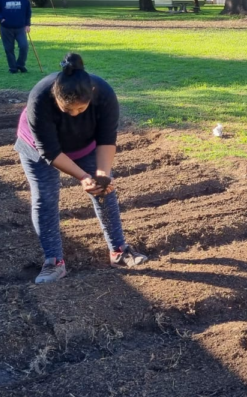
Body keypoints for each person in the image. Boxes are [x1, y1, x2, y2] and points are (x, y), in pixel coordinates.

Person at [15, 52, 148, 284]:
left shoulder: (104, 94)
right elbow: (50, 151)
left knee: (104, 190)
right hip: (38, 148)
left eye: (81, 109)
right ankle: (53, 262)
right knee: (45, 198)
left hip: (85, 144)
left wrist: (101, 176)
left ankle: (118, 251)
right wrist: (82, 176)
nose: (75, 114)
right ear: (55, 96)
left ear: (92, 95)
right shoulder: (39, 98)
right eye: (68, 110)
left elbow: (107, 139)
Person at [0, 0, 31, 74]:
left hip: (20, 28)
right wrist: (1, 19)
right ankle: (13, 68)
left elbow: (28, 12)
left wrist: (27, 24)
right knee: (9, 48)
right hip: (6, 28)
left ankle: (20, 64)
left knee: (24, 46)